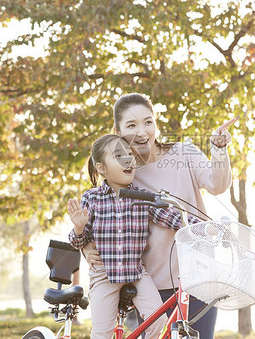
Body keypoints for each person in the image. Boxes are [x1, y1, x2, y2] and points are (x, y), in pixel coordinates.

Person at [79, 93, 234, 339]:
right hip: (155, 284)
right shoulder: (124, 175)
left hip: (201, 275)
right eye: (131, 125)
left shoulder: (184, 153)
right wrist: (85, 246)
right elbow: (97, 216)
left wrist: (219, 150)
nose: (142, 132)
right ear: (118, 132)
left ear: (155, 124)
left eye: (148, 122)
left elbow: (217, 184)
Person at [68, 134, 197, 339]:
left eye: (130, 155)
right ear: (101, 168)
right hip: (104, 274)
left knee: (159, 324)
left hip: (136, 272)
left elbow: (173, 218)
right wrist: (79, 228)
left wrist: (205, 229)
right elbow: (78, 242)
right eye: (119, 156)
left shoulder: (142, 196)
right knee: (102, 334)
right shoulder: (91, 198)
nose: (128, 160)